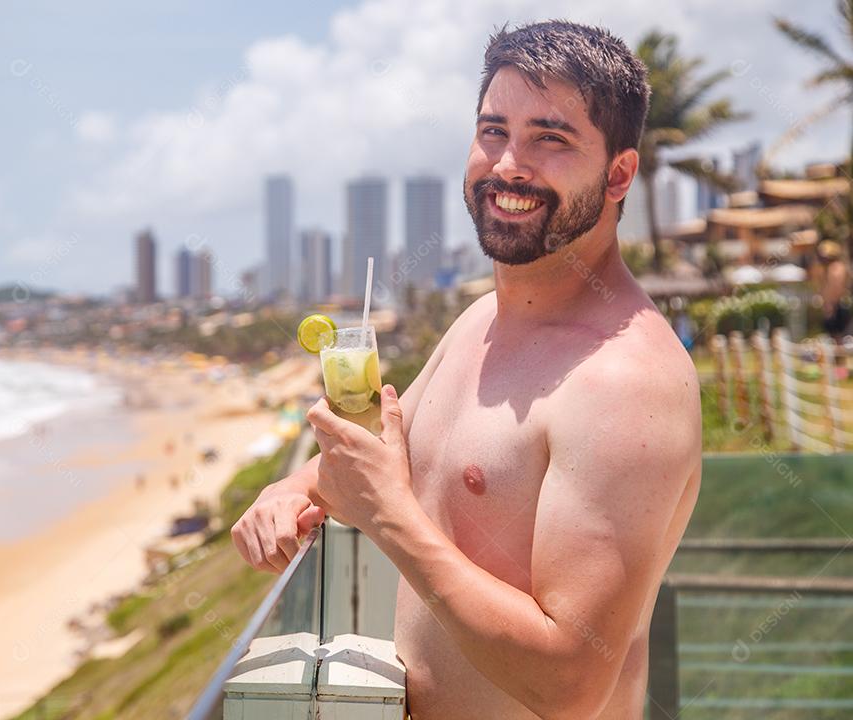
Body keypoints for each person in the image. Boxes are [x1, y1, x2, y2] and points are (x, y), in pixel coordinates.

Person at [231, 20, 701, 720]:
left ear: (619, 175)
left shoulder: (624, 384)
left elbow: (571, 688)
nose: (509, 164)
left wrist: (388, 515)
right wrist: (289, 488)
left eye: (551, 138)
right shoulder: (478, 325)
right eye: (492, 130)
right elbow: (376, 461)